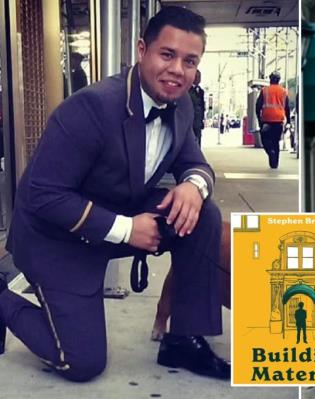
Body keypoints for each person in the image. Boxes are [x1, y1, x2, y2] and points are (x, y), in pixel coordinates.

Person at [0, 6, 230, 382]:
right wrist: (126, 230)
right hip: (57, 239)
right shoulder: (92, 107)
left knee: (201, 211)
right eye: (167, 54)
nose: (177, 69)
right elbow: (43, 195)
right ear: (142, 51)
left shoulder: (181, 104)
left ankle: (185, 339)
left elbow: (196, 163)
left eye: (190, 61)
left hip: (117, 216)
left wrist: (194, 185)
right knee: (82, 363)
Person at [255, 71, 290, 169]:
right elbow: (287, 108)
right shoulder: (284, 91)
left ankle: (270, 151)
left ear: (270, 80)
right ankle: (274, 164)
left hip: (266, 120)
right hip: (279, 120)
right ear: (279, 80)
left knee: (265, 139)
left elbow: (258, 106)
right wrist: (288, 122)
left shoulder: (264, 90)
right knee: (276, 141)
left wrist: (259, 119)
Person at [188, 69, 205, 147]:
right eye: (197, 76)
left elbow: (202, 107)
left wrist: (202, 120)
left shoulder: (201, 91)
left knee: (198, 140)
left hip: (198, 121)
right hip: (189, 122)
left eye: (199, 77)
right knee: (189, 141)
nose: (199, 79)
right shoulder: (187, 90)